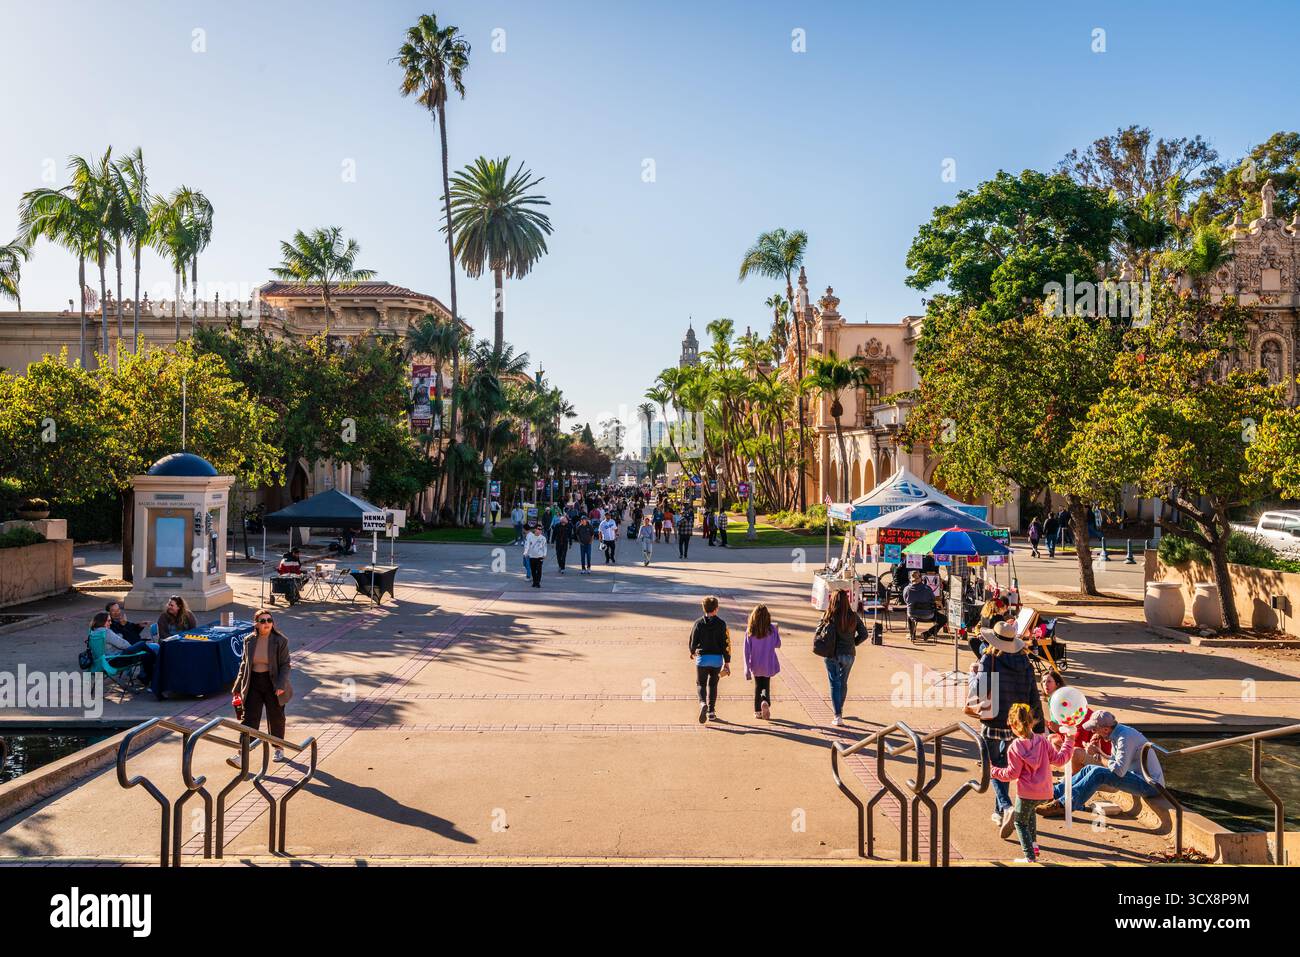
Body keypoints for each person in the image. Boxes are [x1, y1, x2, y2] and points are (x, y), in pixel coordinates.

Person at [966, 620, 1044, 840]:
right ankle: (999, 812)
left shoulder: (989, 659)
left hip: (993, 721)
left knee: (993, 767)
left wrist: (972, 673)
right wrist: (1038, 727)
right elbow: (1033, 696)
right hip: (1016, 722)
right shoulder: (1025, 662)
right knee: (1007, 768)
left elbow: (979, 691)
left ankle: (1006, 806)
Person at [990, 702, 1075, 863]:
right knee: (1029, 816)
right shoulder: (1042, 741)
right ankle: (1034, 846)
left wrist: (993, 771)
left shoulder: (1015, 747)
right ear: (1031, 722)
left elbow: (1011, 773)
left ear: (1013, 726)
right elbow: (1060, 759)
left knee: (1019, 822)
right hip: (1045, 791)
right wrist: (1069, 740)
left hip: (1026, 792)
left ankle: (1029, 856)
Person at [1038, 711, 1164, 817]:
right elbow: (1115, 761)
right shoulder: (1118, 733)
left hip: (1149, 785)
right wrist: (1099, 752)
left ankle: (1063, 805)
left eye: (1094, 729)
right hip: (1137, 777)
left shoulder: (1124, 737)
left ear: (1105, 729)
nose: (1093, 732)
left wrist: (1098, 755)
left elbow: (1119, 770)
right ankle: (1052, 793)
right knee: (1088, 769)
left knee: (1098, 773)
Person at [229, 608, 293, 766]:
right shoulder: (249, 640)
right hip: (254, 683)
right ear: (256, 624)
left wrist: (280, 685)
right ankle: (241, 754)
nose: (267, 624)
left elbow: (285, 665)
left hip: (273, 683)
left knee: (276, 717)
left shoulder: (280, 641)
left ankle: (278, 748)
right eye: (263, 621)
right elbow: (244, 664)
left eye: (269, 620)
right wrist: (237, 687)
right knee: (249, 719)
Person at [1041, 670, 1110, 774]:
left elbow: (1076, 741)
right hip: (1081, 742)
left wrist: (1058, 730)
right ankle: (1069, 770)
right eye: (1043, 681)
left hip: (1101, 755)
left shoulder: (1070, 707)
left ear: (1058, 684)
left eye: (1049, 681)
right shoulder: (1054, 701)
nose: (1045, 684)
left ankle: (1074, 777)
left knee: (1073, 751)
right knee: (1052, 739)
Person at [820, 589, 869, 727]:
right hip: (849, 653)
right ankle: (839, 709)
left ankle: (837, 715)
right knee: (843, 682)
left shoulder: (829, 616)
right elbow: (864, 634)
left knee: (834, 684)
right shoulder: (853, 616)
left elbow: (820, 633)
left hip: (832, 654)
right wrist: (854, 643)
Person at [688, 595, 731, 723]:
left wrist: (692, 651)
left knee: (701, 683)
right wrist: (727, 662)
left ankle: (702, 703)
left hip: (702, 659)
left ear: (703, 608)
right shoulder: (722, 624)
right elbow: (726, 644)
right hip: (717, 660)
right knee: (713, 684)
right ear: (716, 609)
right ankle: (711, 712)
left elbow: (693, 641)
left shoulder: (698, 623)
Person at [744, 604, 781, 719]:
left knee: (758, 685)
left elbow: (746, 651)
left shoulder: (750, 630)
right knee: (765, 684)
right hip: (768, 663)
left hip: (755, 663)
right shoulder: (772, 629)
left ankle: (758, 711)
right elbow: (778, 644)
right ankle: (765, 701)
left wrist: (747, 669)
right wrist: (776, 631)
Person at [105, 601, 157, 682]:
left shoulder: (119, 620)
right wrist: (123, 626)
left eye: (118, 610)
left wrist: (139, 625)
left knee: (151, 649)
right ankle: (148, 675)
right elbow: (124, 641)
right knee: (153, 649)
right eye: (113, 611)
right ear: (108, 613)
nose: (117, 612)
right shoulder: (109, 626)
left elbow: (132, 629)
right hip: (125, 652)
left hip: (132, 647)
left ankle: (146, 675)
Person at [903, 570, 946, 639]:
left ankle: (912, 634)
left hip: (913, 615)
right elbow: (933, 600)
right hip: (928, 615)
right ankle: (928, 633)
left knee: (909, 610)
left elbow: (906, 601)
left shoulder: (907, 589)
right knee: (944, 619)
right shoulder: (927, 588)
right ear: (921, 578)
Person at [524, 524, 547, 588]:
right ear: (535, 529)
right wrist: (526, 553)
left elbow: (545, 547)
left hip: (540, 556)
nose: (540, 531)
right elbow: (527, 545)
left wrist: (544, 554)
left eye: (541, 529)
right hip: (532, 556)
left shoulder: (543, 538)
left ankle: (538, 582)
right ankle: (534, 582)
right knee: (533, 570)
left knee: (539, 570)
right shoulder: (530, 537)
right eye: (538, 529)